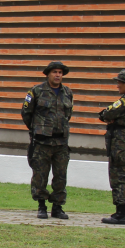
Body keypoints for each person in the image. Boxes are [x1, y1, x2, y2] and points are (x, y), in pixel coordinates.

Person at [21, 61, 73, 220]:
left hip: (61, 143)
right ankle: (41, 206)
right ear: (48, 74)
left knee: (60, 176)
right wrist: (38, 129)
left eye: (60, 73)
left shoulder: (67, 92)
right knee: (40, 175)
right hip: (43, 142)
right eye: (55, 72)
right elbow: (26, 112)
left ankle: (57, 207)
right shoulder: (36, 91)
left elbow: (68, 114)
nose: (58, 75)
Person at [99, 69, 125, 224]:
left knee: (120, 174)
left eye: (119, 82)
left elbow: (106, 113)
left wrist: (109, 118)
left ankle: (120, 213)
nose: (117, 85)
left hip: (121, 141)